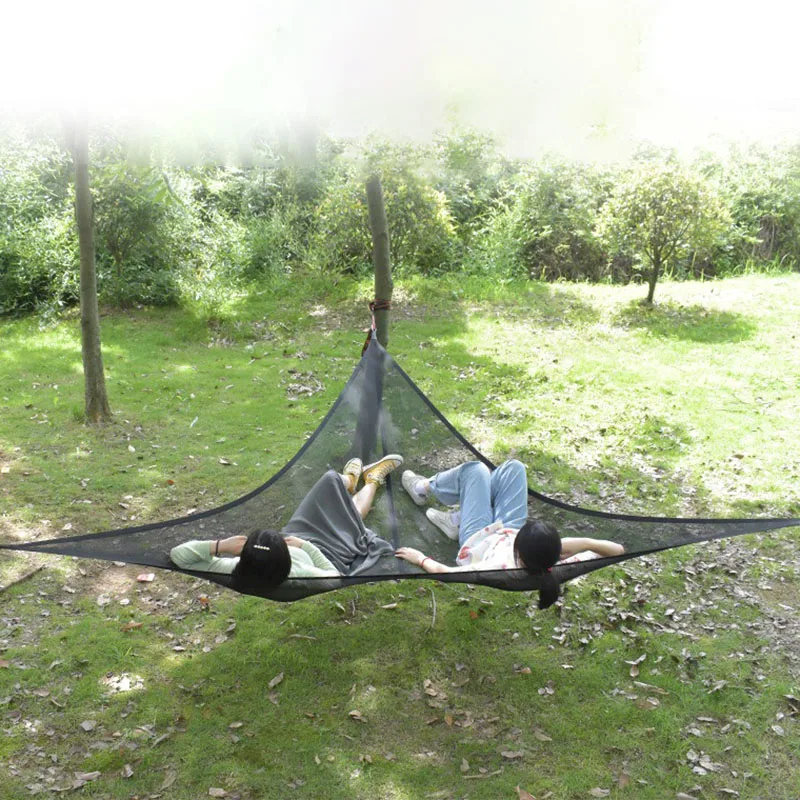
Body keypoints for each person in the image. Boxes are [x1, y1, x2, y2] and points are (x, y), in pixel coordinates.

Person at [395, 459, 624, 608]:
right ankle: (462, 516)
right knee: (514, 468)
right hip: (507, 530)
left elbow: (446, 573)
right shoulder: (552, 562)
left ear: (519, 551)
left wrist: (420, 559)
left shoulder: (496, 567)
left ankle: (421, 488)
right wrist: (586, 543)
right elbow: (618, 550)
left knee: (475, 470)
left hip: (478, 538)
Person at [170, 454, 403, 592]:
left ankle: (350, 481)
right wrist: (305, 546)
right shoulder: (301, 572)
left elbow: (178, 555)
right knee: (349, 518)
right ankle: (372, 479)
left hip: (298, 533)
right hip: (328, 553)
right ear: (285, 559)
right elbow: (334, 577)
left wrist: (220, 546)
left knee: (330, 481)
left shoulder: (235, 568)